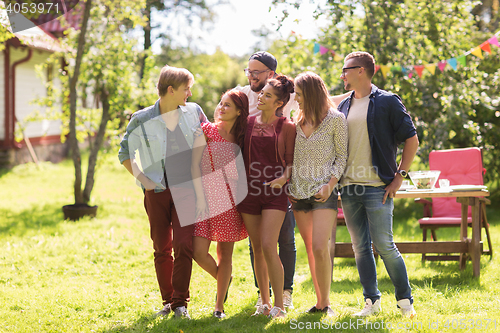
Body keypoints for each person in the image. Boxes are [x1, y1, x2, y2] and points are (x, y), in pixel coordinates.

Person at [118, 66, 208, 319]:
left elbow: (211, 136)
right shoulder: (142, 118)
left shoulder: (194, 112)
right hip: (156, 191)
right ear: (171, 90)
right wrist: (144, 180)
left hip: (186, 188)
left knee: (183, 244)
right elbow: (124, 153)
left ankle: (181, 303)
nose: (189, 93)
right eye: (186, 88)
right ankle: (168, 301)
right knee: (161, 247)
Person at [337, 52, 419, 318]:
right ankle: (371, 302)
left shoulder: (387, 102)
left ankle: (405, 302)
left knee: (384, 246)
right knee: (360, 248)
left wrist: (399, 176)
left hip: (377, 188)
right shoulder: (343, 106)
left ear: (361, 70)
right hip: (349, 188)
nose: (342, 75)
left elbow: (411, 139)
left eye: (346, 69)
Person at [234, 51, 297, 310]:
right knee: (257, 247)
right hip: (248, 193)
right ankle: (264, 300)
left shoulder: (287, 126)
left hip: (274, 193)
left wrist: (284, 178)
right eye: (262, 94)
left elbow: (293, 161)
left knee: (271, 245)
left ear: (279, 102)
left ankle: (280, 304)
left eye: (267, 95)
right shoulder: (246, 123)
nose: (261, 97)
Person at [288, 72, 348, 316]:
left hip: (324, 191)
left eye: (300, 95)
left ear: (311, 94)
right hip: (298, 192)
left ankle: (326, 303)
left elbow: (342, 157)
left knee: (321, 246)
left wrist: (330, 184)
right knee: (311, 248)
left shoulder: (336, 119)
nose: (296, 99)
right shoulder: (296, 119)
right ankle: (319, 302)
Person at [191, 90, 249, 319]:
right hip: (204, 197)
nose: (221, 108)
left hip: (230, 202)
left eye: (228, 105)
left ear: (239, 111)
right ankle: (225, 279)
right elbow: (194, 165)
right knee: (198, 252)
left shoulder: (244, 138)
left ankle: (219, 307)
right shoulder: (206, 131)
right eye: (221, 103)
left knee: (225, 254)